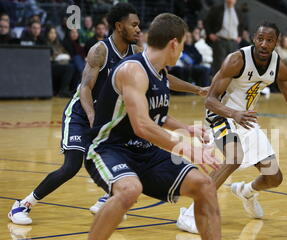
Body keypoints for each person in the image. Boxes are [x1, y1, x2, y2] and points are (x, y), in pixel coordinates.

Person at [67, 13, 254, 240]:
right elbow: (142, 125)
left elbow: (156, 118)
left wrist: (186, 128)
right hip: (108, 148)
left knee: (204, 186)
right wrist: (184, 147)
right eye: (184, 44)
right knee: (129, 189)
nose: (183, 49)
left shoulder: (159, 73)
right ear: (174, 44)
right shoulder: (133, 70)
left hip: (143, 151)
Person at [7, 3, 207, 226]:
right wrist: (94, 120)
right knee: (72, 166)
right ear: (119, 26)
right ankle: (23, 204)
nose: (138, 30)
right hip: (82, 114)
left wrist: (197, 89)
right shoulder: (100, 50)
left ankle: (107, 198)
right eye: (133, 25)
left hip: (108, 118)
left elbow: (163, 77)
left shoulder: (138, 53)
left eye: (139, 25)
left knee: (131, 155)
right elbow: (85, 88)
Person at [177, 22, 287, 235]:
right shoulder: (236, 60)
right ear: (254, 38)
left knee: (274, 177)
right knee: (234, 157)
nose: (264, 44)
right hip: (220, 114)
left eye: (269, 40)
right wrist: (233, 113)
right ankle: (190, 214)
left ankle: (246, 191)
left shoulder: (279, 66)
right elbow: (210, 100)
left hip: (245, 119)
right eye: (260, 38)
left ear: (276, 42)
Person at [204, 0, 247, 75]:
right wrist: (210, 34)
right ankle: (215, 85)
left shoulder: (238, 11)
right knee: (219, 65)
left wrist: (239, 36)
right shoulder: (217, 9)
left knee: (231, 66)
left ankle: (227, 86)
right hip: (220, 41)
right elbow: (207, 22)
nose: (230, 1)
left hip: (233, 42)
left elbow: (241, 25)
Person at [45, 26, 75, 97]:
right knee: (69, 68)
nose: (53, 35)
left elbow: (66, 53)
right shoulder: (45, 43)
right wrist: (56, 57)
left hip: (60, 64)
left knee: (73, 66)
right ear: (47, 34)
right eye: (51, 33)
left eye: (54, 33)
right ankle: (63, 91)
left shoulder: (58, 44)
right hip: (50, 65)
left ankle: (70, 89)